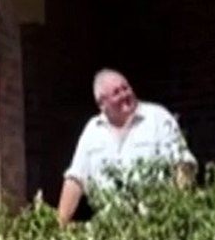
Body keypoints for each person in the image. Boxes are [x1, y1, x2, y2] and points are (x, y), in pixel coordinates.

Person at [56, 68, 196, 224]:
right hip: (110, 228)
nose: (125, 95)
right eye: (116, 93)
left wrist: (179, 211)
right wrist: (60, 225)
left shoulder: (157, 118)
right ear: (102, 104)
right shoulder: (93, 130)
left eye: (126, 88)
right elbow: (75, 180)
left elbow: (183, 164)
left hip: (157, 223)